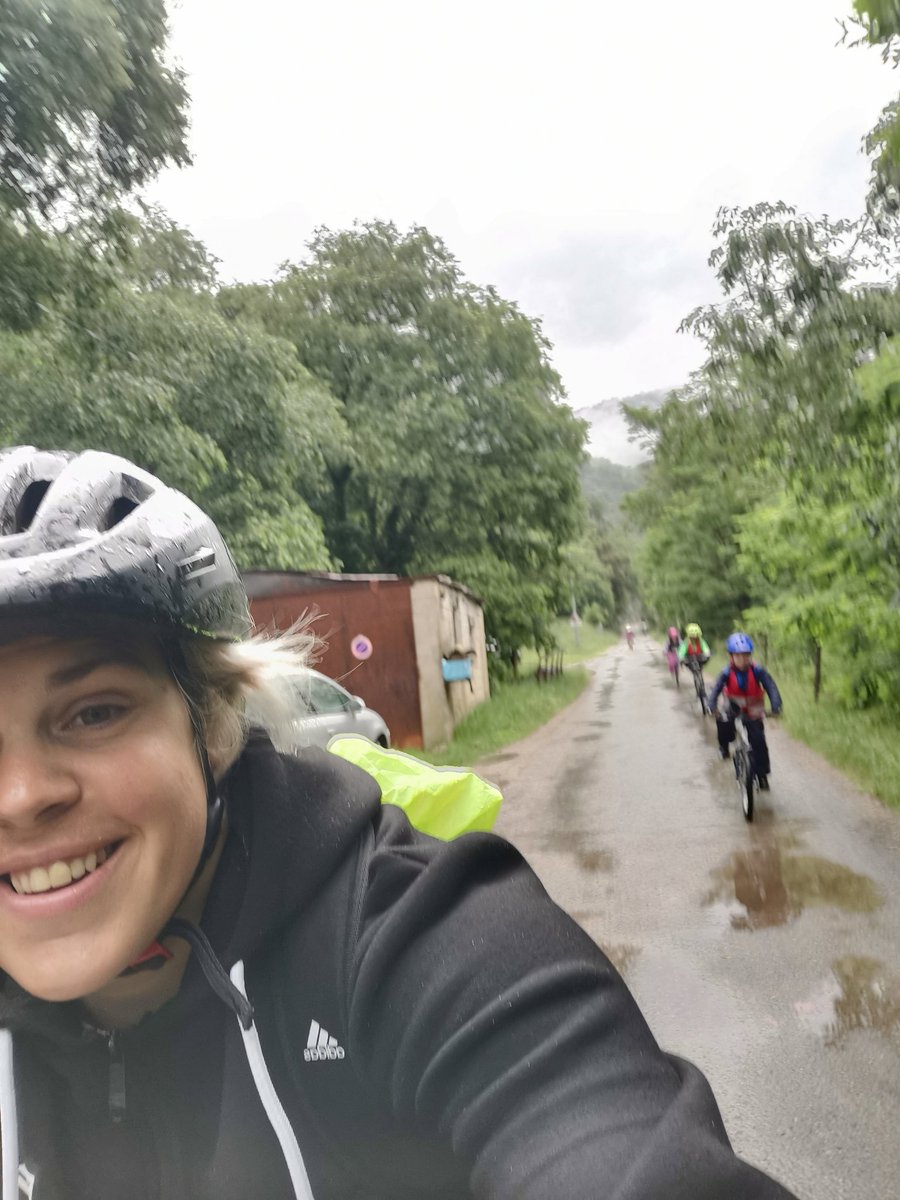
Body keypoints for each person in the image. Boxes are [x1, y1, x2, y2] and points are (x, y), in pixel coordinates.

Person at [0, 446, 798, 1199]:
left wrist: (748, 700)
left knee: (736, 722)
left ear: (211, 720)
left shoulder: (418, 934)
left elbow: (600, 1129)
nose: (21, 795)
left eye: (93, 712)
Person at [707, 632, 783, 789]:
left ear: (751, 655)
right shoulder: (727, 672)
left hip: (754, 707)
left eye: (746, 655)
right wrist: (711, 705)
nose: (743, 659)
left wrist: (776, 705)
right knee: (723, 722)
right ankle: (724, 747)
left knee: (759, 741)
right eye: (738, 656)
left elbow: (771, 687)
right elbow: (716, 688)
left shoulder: (758, 670)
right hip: (733, 705)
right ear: (731, 656)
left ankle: (762, 774)